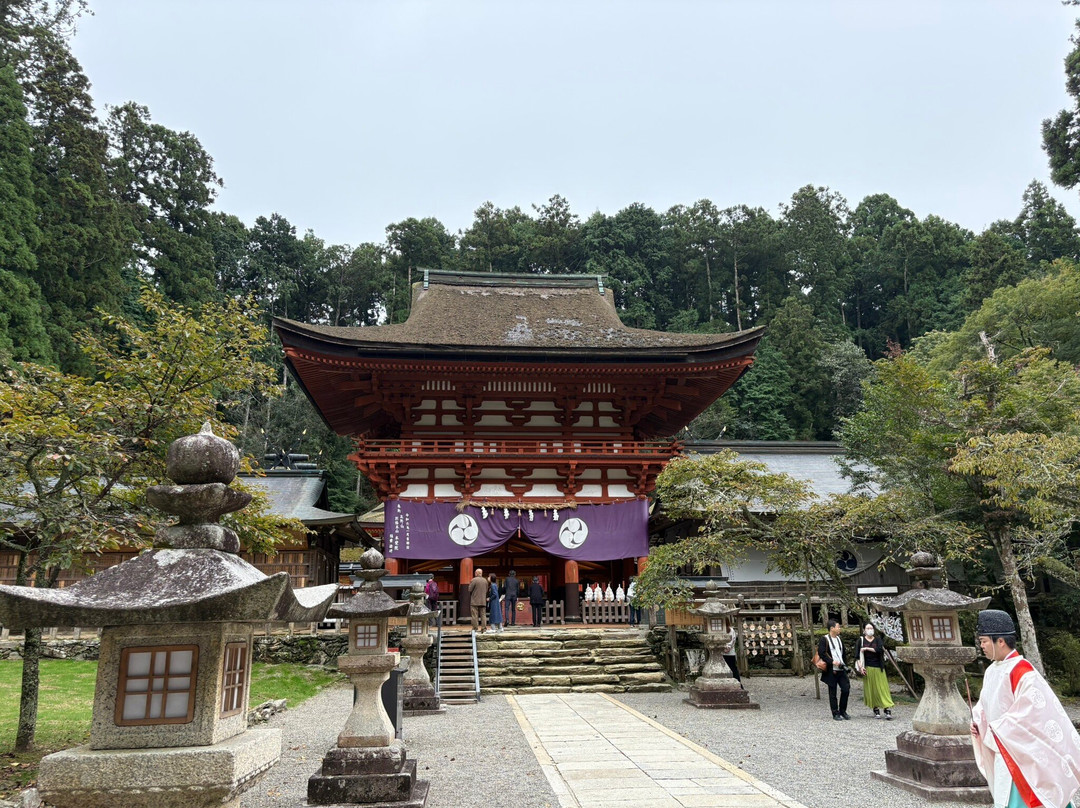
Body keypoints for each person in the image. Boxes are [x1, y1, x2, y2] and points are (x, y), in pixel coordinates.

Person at [971, 609, 1080, 808]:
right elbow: (985, 706)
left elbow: (1034, 713)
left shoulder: (1022, 671)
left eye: (984, 641)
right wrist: (978, 722)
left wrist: (1001, 729)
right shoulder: (991, 671)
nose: (982, 646)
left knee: (1031, 798)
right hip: (1003, 749)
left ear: (1000, 641)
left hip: (1023, 754)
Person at [855, 622, 894, 719]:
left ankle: (887, 708)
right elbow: (857, 656)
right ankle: (875, 708)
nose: (870, 630)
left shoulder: (878, 639)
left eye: (871, 628)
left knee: (882, 688)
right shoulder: (860, 640)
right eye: (867, 628)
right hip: (868, 667)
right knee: (871, 689)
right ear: (864, 630)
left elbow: (879, 650)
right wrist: (861, 667)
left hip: (879, 667)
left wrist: (867, 648)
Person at [817, 619, 851, 720]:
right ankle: (835, 712)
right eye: (838, 627)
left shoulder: (839, 639)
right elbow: (821, 652)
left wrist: (844, 664)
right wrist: (831, 661)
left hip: (841, 668)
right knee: (833, 692)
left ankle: (843, 710)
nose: (839, 628)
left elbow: (843, 653)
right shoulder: (825, 639)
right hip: (831, 669)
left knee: (846, 689)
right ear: (832, 628)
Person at [468, 567, 488, 633]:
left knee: (474, 615)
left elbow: (469, 589)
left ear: (476, 573)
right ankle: (484, 628)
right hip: (483, 600)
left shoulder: (474, 580)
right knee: (483, 615)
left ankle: (475, 628)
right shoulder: (485, 581)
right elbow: (486, 590)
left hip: (475, 601)